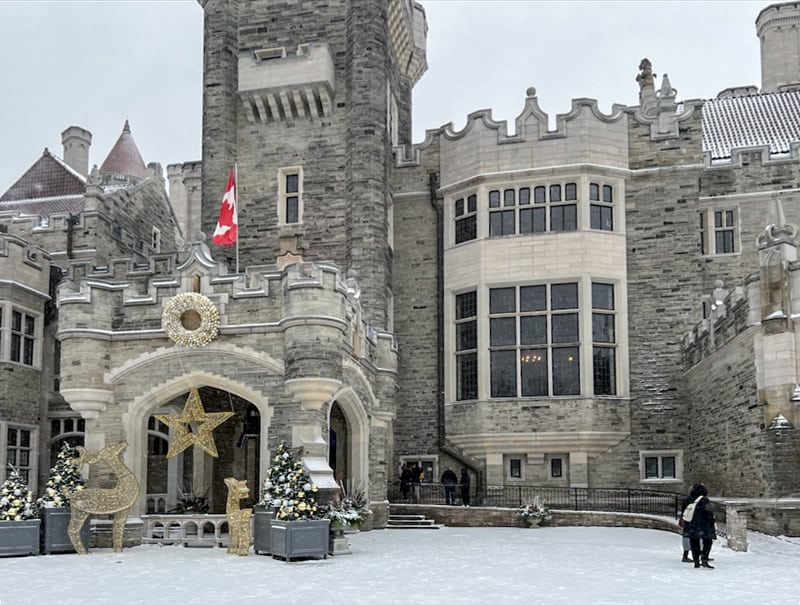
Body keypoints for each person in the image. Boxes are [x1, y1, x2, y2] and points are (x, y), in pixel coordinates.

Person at [683, 483, 716, 569]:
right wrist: (712, 521)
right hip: (703, 525)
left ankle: (696, 561)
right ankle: (704, 559)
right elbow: (709, 513)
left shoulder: (687, 500)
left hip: (691, 525)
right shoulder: (705, 500)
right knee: (707, 542)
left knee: (694, 543)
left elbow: (684, 512)